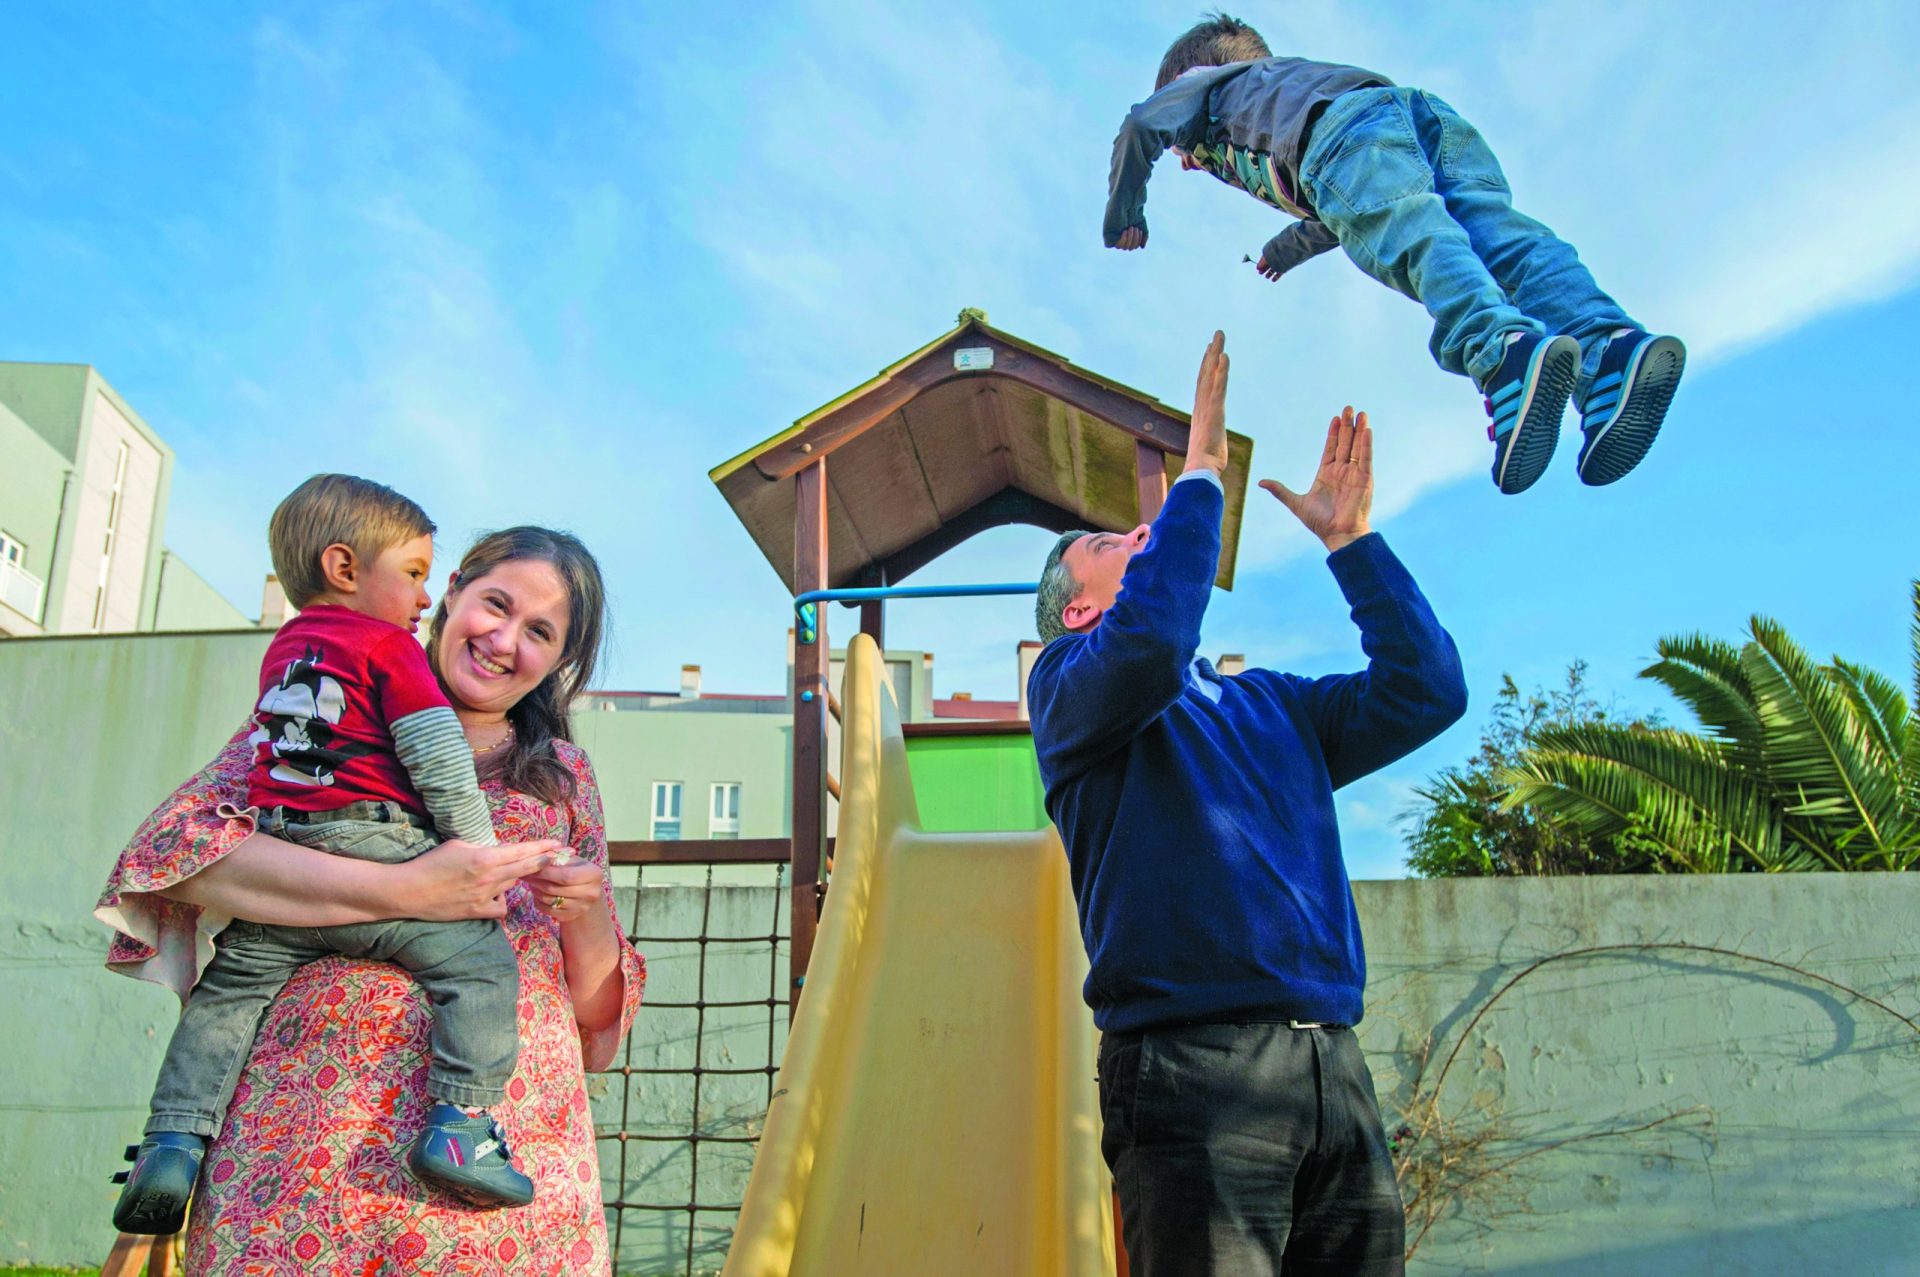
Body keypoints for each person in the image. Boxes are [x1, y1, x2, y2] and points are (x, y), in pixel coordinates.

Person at [1027, 332, 1468, 1275]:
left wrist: (1353, 546)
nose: (1139, 537)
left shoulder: (1274, 701)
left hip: (1331, 1067)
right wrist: (1198, 479)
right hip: (1191, 1073)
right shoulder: (1071, 689)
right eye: (1113, 542)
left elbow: (1427, 689)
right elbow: (1149, 640)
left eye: (1140, 529)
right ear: (1076, 609)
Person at [95, 526, 645, 1275]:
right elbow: (175, 850)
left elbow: (595, 1005)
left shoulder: (562, 776)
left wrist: (582, 915)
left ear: (559, 661)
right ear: (452, 591)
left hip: (500, 1176)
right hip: (296, 1156)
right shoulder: (321, 705)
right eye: (496, 604)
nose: (504, 638)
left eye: (539, 631)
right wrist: (409, 889)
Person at [115, 476, 538, 1234]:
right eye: (413, 574)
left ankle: (172, 1140)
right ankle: (460, 1125)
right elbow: (438, 755)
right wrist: (475, 849)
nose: (421, 597)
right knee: (481, 967)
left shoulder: (282, 650)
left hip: (286, 853)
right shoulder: (387, 646)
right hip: (377, 834)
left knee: (226, 994)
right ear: (346, 568)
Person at [1104, 13, 1685, 495]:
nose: (1187, 158)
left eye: (1186, 148)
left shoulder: (1208, 89)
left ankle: (1502, 350)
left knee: (1414, 235)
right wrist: (1284, 249)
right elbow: (1342, 206)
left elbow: (1140, 126)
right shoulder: (1291, 86)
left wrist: (1125, 213)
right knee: (1504, 243)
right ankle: (1609, 349)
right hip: (1417, 116)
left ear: (1193, 74)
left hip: (1342, 138)